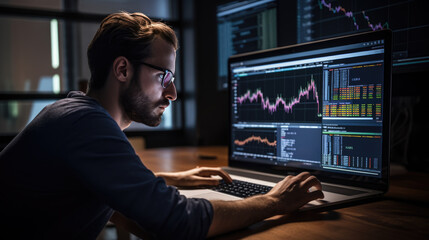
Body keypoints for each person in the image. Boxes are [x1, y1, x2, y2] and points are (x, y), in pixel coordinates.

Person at [0, 12, 324, 239]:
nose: (173, 93)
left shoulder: (73, 113)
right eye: (163, 76)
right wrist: (275, 201)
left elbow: (98, 183)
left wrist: (166, 178)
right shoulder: (85, 124)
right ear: (123, 70)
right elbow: (180, 222)